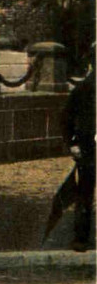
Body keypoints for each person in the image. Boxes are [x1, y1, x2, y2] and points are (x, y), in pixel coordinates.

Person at [63, 46, 96, 252]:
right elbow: (66, 118)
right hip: (88, 147)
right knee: (84, 193)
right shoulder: (84, 88)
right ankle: (81, 238)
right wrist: (72, 143)